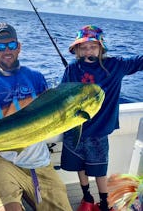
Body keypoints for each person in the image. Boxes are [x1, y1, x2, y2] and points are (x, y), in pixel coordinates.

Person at [0, 22, 72, 211]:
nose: (6, 50)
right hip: (1, 159)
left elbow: (50, 116)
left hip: (39, 159)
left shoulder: (36, 77)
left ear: (19, 47)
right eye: (0, 46)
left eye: (11, 45)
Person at [60, 25, 143, 211]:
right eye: (84, 47)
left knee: (99, 170)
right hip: (76, 129)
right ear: (77, 50)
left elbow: (139, 61)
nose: (88, 50)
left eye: (93, 46)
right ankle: (87, 198)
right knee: (79, 166)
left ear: (101, 47)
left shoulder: (115, 66)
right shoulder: (72, 69)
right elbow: (61, 97)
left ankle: (104, 203)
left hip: (99, 132)